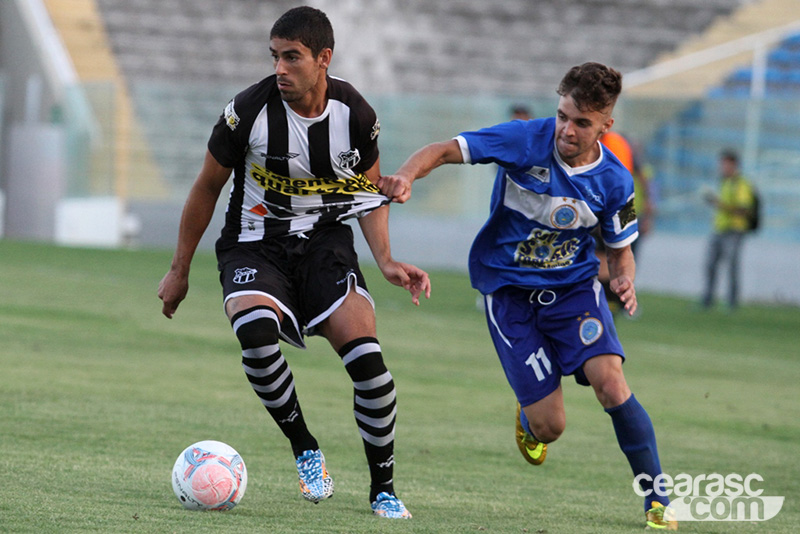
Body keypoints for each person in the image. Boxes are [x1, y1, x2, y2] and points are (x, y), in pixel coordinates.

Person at [158, 6, 429, 519]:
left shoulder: (357, 115)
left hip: (325, 245)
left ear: (323, 59)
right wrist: (179, 269)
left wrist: (387, 260)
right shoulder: (247, 111)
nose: (280, 68)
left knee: (370, 367)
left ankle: (383, 490)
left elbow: (366, 194)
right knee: (256, 334)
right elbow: (206, 189)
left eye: (292, 57)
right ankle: (305, 447)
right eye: (274, 56)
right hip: (254, 244)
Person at [379, 62, 676, 530]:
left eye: (582, 123)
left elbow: (621, 253)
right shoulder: (524, 140)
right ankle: (530, 415)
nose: (567, 130)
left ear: (605, 126)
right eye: (563, 116)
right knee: (550, 428)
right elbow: (444, 150)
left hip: (576, 290)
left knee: (612, 383)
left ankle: (657, 498)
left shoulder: (616, 181)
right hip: (510, 294)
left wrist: (623, 279)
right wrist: (406, 175)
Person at [701, 149, 755, 311]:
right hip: (719, 229)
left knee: (732, 266)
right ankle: (707, 299)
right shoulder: (724, 182)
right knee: (710, 265)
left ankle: (732, 302)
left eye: (725, 163)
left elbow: (744, 209)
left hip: (734, 230)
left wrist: (719, 204)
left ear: (734, 164)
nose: (722, 167)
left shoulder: (741, 184)